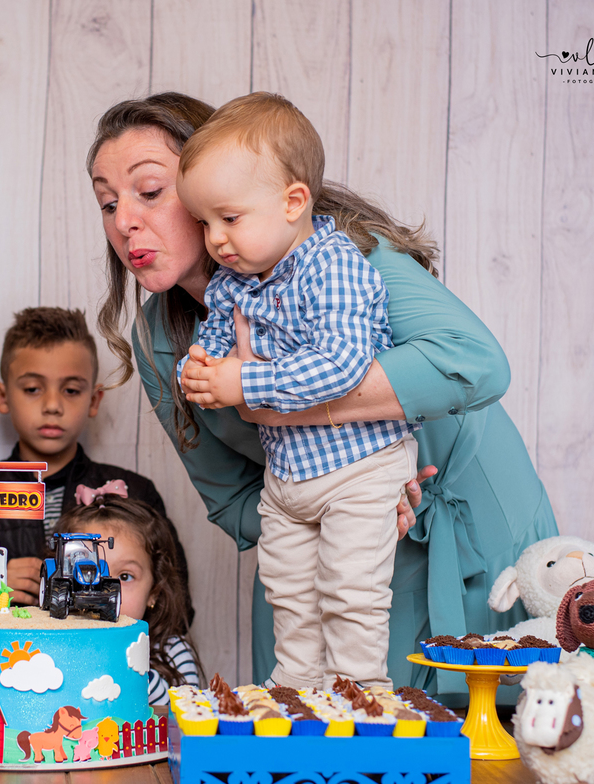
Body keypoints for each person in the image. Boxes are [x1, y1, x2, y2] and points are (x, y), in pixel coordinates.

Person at [87, 92, 558, 699]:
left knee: (495, 728)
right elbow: (230, 498)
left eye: (149, 191)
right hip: (317, 543)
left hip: (466, 521)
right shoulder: (159, 337)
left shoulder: (344, 257)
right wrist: (324, 501)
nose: (124, 221)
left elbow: (478, 363)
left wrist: (359, 463)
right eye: (107, 202)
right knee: (310, 721)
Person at [173, 92, 418, 690]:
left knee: (351, 596)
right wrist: (200, 367)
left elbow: (342, 365)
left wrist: (241, 380)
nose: (215, 240)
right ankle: (299, 701)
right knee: (291, 602)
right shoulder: (238, 280)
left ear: (293, 202)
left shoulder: (330, 265)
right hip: (289, 481)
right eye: (205, 224)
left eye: (228, 219)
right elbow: (213, 341)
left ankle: (361, 702)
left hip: (358, 470)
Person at [0, 307, 186, 642]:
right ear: (3, 396)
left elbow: (176, 608)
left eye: (70, 390)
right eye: (33, 389)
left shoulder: (133, 493)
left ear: (94, 399)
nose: (52, 405)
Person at [54, 494, 200, 705]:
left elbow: (187, 719)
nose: (104, 589)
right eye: (89, 572)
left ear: (153, 592)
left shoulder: (174, 652)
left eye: (125, 576)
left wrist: (130, 668)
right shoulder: (54, 643)